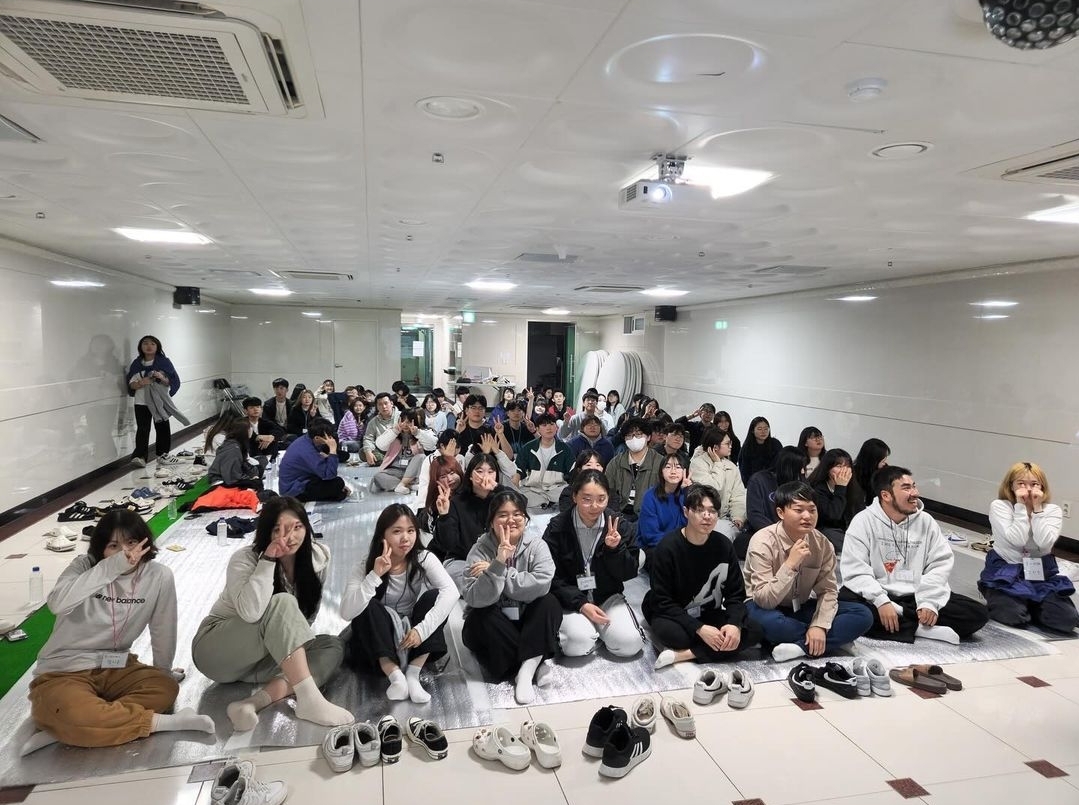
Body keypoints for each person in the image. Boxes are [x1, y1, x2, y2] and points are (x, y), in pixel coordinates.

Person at [23, 511, 212, 753]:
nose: (125, 552)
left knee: (164, 687)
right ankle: (165, 723)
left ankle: (71, 727)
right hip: (65, 670)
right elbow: (57, 603)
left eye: (131, 542)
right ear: (100, 548)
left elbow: (163, 627)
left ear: (144, 542)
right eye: (113, 546)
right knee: (73, 711)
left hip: (117, 666)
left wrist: (163, 670)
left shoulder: (158, 575)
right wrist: (113, 566)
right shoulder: (83, 566)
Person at [192, 497, 351, 730]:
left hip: (260, 659)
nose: (290, 537)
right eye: (278, 529)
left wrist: (293, 655)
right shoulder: (244, 559)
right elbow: (251, 613)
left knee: (332, 645)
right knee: (283, 602)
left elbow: (306, 617)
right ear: (266, 532)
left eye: (297, 527)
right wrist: (268, 559)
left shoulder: (318, 557)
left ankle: (251, 704)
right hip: (217, 651)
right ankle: (309, 698)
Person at [839, 466, 989, 644]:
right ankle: (922, 629)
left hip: (916, 596)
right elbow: (856, 570)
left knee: (977, 613)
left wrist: (929, 602)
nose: (915, 493)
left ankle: (903, 622)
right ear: (886, 495)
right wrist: (881, 601)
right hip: (879, 593)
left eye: (914, 486)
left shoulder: (926, 522)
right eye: (906, 488)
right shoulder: (863, 521)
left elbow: (939, 565)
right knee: (845, 606)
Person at [342, 504, 459, 703]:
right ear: (383, 536)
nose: (405, 538)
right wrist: (375, 575)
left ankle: (413, 675)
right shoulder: (365, 565)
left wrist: (421, 631)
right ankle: (395, 676)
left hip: (410, 633)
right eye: (397, 531)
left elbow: (451, 592)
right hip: (378, 637)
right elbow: (346, 612)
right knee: (367, 604)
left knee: (433, 598)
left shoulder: (423, 558)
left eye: (411, 531)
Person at [744, 482, 873, 662]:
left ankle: (801, 646)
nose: (807, 516)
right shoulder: (762, 541)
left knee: (863, 614)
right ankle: (832, 640)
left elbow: (828, 591)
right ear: (781, 513)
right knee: (770, 625)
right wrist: (790, 564)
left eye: (812, 510)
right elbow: (764, 599)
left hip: (800, 606)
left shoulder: (822, 544)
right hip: (765, 607)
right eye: (799, 510)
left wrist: (819, 626)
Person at [642, 484, 762, 668]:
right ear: (686, 512)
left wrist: (734, 625)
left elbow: (736, 594)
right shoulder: (667, 547)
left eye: (712, 511)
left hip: (707, 611)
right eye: (699, 510)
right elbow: (662, 601)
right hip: (672, 612)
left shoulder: (723, 545)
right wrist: (699, 629)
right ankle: (703, 647)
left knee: (754, 630)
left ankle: (685, 655)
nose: (707, 516)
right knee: (677, 636)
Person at [461, 489, 562, 704]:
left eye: (517, 514)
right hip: (497, 625)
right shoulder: (479, 550)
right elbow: (475, 598)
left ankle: (525, 672)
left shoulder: (537, 546)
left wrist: (501, 572)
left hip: (525, 620)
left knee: (549, 603)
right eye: (503, 515)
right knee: (480, 617)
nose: (511, 520)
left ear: (525, 518)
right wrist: (498, 562)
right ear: (491, 521)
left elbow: (542, 584)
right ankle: (534, 660)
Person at [543, 471, 643, 659]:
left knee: (630, 644)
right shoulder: (558, 527)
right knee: (576, 646)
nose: (594, 506)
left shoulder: (619, 525)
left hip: (607, 596)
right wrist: (581, 604)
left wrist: (614, 549)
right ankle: (589, 630)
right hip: (572, 599)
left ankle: (599, 630)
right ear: (574, 497)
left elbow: (629, 572)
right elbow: (549, 576)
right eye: (587, 499)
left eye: (601, 499)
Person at [979, 462, 1078, 633]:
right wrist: (1020, 506)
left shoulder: (1052, 510)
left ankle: (1032, 602)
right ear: (1011, 486)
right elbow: (1017, 540)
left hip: (1039, 572)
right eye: (1021, 483)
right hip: (1006, 569)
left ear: (1042, 487)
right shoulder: (1000, 506)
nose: (1028, 489)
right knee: (1014, 616)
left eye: (1034, 484)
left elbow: (1044, 543)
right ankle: (998, 593)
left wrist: (1037, 510)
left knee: (1067, 620)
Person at [430, 452, 502, 589]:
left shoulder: (501, 499)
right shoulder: (456, 502)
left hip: (495, 560)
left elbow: (521, 505)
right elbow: (448, 544)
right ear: (470, 475)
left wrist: (497, 488)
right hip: (462, 560)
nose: (485, 476)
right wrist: (444, 516)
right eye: (479, 471)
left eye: (490, 472)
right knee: (474, 580)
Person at [125, 335, 181, 466]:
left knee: (162, 427)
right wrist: (141, 383)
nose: (149, 346)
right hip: (141, 402)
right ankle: (140, 456)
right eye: (145, 343)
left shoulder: (164, 362)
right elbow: (131, 384)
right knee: (142, 429)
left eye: (152, 344)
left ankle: (163, 454)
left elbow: (171, 382)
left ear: (157, 347)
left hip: (159, 402)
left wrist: (161, 377)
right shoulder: (137, 364)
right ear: (140, 347)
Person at [688, 427, 746, 538]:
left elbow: (738, 496)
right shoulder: (697, 464)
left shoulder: (731, 467)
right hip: (702, 517)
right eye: (727, 444)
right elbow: (714, 488)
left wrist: (738, 517)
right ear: (715, 447)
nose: (730, 446)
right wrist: (718, 464)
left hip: (725, 519)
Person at [605, 417, 663, 520]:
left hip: (650, 515)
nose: (634, 438)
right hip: (620, 514)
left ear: (648, 437)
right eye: (629, 435)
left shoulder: (660, 462)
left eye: (639, 434)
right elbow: (608, 491)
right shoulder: (615, 463)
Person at [277, 419, 348, 502]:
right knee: (338, 483)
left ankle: (335, 494)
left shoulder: (306, 440)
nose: (330, 439)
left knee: (336, 485)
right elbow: (329, 475)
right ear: (317, 438)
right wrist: (332, 450)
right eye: (328, 437)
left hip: (301, 480)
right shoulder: (307, 450)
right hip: (293, 490)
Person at [637, 453, 689, 562]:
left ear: (684, 471)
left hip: (680, 547)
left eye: (678, 467)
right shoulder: (650, 496)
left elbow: (689, 526)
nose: (673, 471)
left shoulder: (687, 495)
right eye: (668, 467)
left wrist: (685, 492)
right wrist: (676, 547)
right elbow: (650, 535)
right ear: (661, 471)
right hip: (654, 547)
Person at [371, 407, 437, 494]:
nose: (405, 425)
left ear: (415, 422)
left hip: (413, 471)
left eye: (408, 422)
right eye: (403, 421)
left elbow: (432, 445)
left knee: (421, 457)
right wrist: (395, 432)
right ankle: (408, 486)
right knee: (378, 477)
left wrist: (417, 433)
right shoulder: (393, 431)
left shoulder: (422, 432)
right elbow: (380, 445)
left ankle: (402, 484)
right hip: (395, 470)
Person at [745, 446, 809, 535]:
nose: (802, 472)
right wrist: (778, 533)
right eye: (800, 468)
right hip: (765, 532)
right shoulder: (759, 480)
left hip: (794, 532)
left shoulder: (801, 482)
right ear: (789, 468)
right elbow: (755, 515)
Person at [514, 414, 574, 508]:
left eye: (552, 424)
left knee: (570, 494)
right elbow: (518, 470)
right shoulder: (528, 448)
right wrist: (515, 489)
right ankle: (546, 501)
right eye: (544, 425)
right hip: (533, 489)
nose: (549, 428)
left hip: (556, 489)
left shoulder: (565, 448)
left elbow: (573, 472)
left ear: (556, 427)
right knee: (519, 498)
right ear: (537, 429)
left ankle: (545, 501)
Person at [807, 448, 862, 549]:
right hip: (825, 532)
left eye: (847, 466)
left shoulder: (854, 487)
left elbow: (859, 515)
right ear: (827, 468)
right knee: (830, 534)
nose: (844, 470)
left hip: (848, 532)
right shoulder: (816, 488)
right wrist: (840, 487)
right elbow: (833, 515)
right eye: (839, 466)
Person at [416, 430, 466, 519]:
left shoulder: (460, 458)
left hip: (455, 502)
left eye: (458, 447)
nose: (455, 450)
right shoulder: (431, 460)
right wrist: (448, 458)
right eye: (452, 446)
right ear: (442, 446)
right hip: (431, 505)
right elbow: (433, 488)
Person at [207, 421, 263, 490]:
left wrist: (254, 475)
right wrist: (250, 480)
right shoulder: (233, 449)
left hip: (230, 477)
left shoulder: (236, 444)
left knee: (259, 469)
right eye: (249, 428)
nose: (251, 430)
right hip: (221, 481)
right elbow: (231, 478)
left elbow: (244, 464)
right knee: (257, 484)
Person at [739, 416, 783, 485]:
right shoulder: (747, 447)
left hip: (773, 481)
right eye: (759, 429)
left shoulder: (775, 444)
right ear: (752, 430)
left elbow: (780, 465)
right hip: (754, 483)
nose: (763, 432)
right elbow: (744, 471)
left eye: (766, 429)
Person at [362, 392, 399, 466]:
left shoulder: (401, 417)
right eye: (380, 404)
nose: (384, 407)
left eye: (386, 403)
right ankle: (390, 461)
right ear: (377, 406)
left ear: (391, 403)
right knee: (363, 452)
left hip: (399, 450)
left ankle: (389, 461)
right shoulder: (373, 422)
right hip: (382, 450)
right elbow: (368, 438)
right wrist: (368, 451)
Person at [852, 438, 890, 508]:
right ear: (873, 461)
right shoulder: (852, 473)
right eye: (883, 461)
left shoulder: (884, 471)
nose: (885, 463)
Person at [337, 397, 368, 461]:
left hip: (354, 442)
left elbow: (360, 435)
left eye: (360, 405)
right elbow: (352, 434)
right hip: (344, 442)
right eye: (355, 406)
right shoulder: (349, 415)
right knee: (363, 445)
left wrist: (361, 428)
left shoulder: (361, 416)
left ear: (364, 407)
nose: (358, 408)